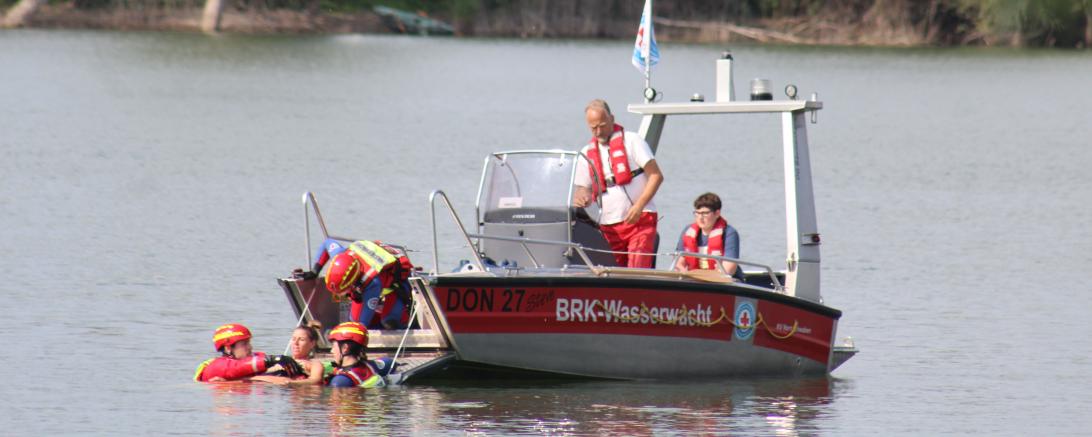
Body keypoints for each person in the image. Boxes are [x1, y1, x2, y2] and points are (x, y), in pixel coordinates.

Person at [573, 99, 664, 268]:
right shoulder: (585, 153)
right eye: (593, 128)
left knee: (637, 269)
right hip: (608, 226)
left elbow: (656, 176)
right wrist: (582, 198)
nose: (598, 131)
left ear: (612, 119)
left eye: (602, 125)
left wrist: (639, 206)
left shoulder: (632, 141)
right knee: (611, 272)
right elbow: (582, 189)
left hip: (639, 219)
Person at [308, 239, 414, 330]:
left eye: (343, 292)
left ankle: (409, 324)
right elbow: (327, 243)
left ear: (353, 283)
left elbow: (360, 324)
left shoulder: (372, 283)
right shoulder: (341, 254)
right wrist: (314, 272)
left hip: (398, 282)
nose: (340, 296)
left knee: (390, 321)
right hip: (373, 259)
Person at [194, 323, 304, 382]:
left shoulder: (257, 358)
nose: (250, 347)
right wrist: (274, 359)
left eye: (249, 343)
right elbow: (236, 367)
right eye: (245, 344)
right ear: (228, 348)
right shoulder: (215, 367)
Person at [673, 192, 744, 281]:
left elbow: (729, 268)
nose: (700, 217)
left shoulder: (729, 233)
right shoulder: (687, 231)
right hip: (694, 280)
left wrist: (706, 278)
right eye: (697, 213)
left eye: (705, 213)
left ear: (717, 213)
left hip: (725, 281)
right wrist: (685, 275)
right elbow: (678, 263)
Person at [325, 322, 386, 388]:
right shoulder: (372, 366)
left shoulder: (339, 382)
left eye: (333, 346)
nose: (331, 351)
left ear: (345, 348)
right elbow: (388, 362)